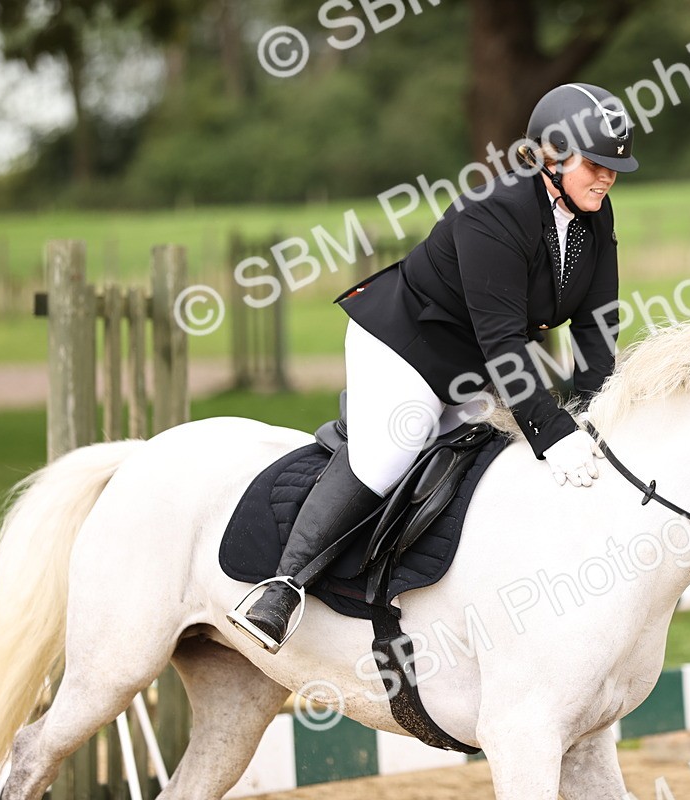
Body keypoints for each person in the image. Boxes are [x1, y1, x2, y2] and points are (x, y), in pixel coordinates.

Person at [234, 83, 638, 651]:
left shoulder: (594, 215)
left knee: (496, 461)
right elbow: (502, 341)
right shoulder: (493, 210)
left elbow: (596, 326)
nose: (606, 177)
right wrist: (555, 432)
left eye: (614, 168)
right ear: (550, 156)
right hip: (406, 346)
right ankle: (283, 586)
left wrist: (594, 417)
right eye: (596, 164)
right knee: (394, 449)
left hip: (475, 362)